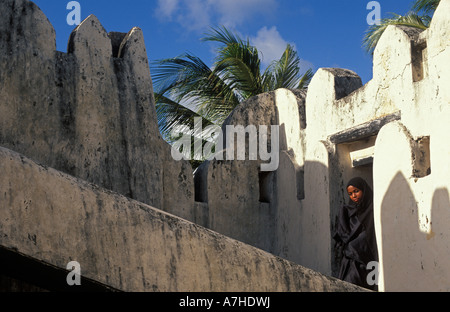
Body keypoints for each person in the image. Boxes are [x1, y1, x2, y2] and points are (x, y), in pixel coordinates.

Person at [333, 177, 378, 290]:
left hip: (368, 262)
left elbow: (371, 236)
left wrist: (355, 245)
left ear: (364, 190)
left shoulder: (372, 210)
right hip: (351, 263)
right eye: (350, 193)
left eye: (356, 191)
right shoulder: (347, 211)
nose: (353, 196)